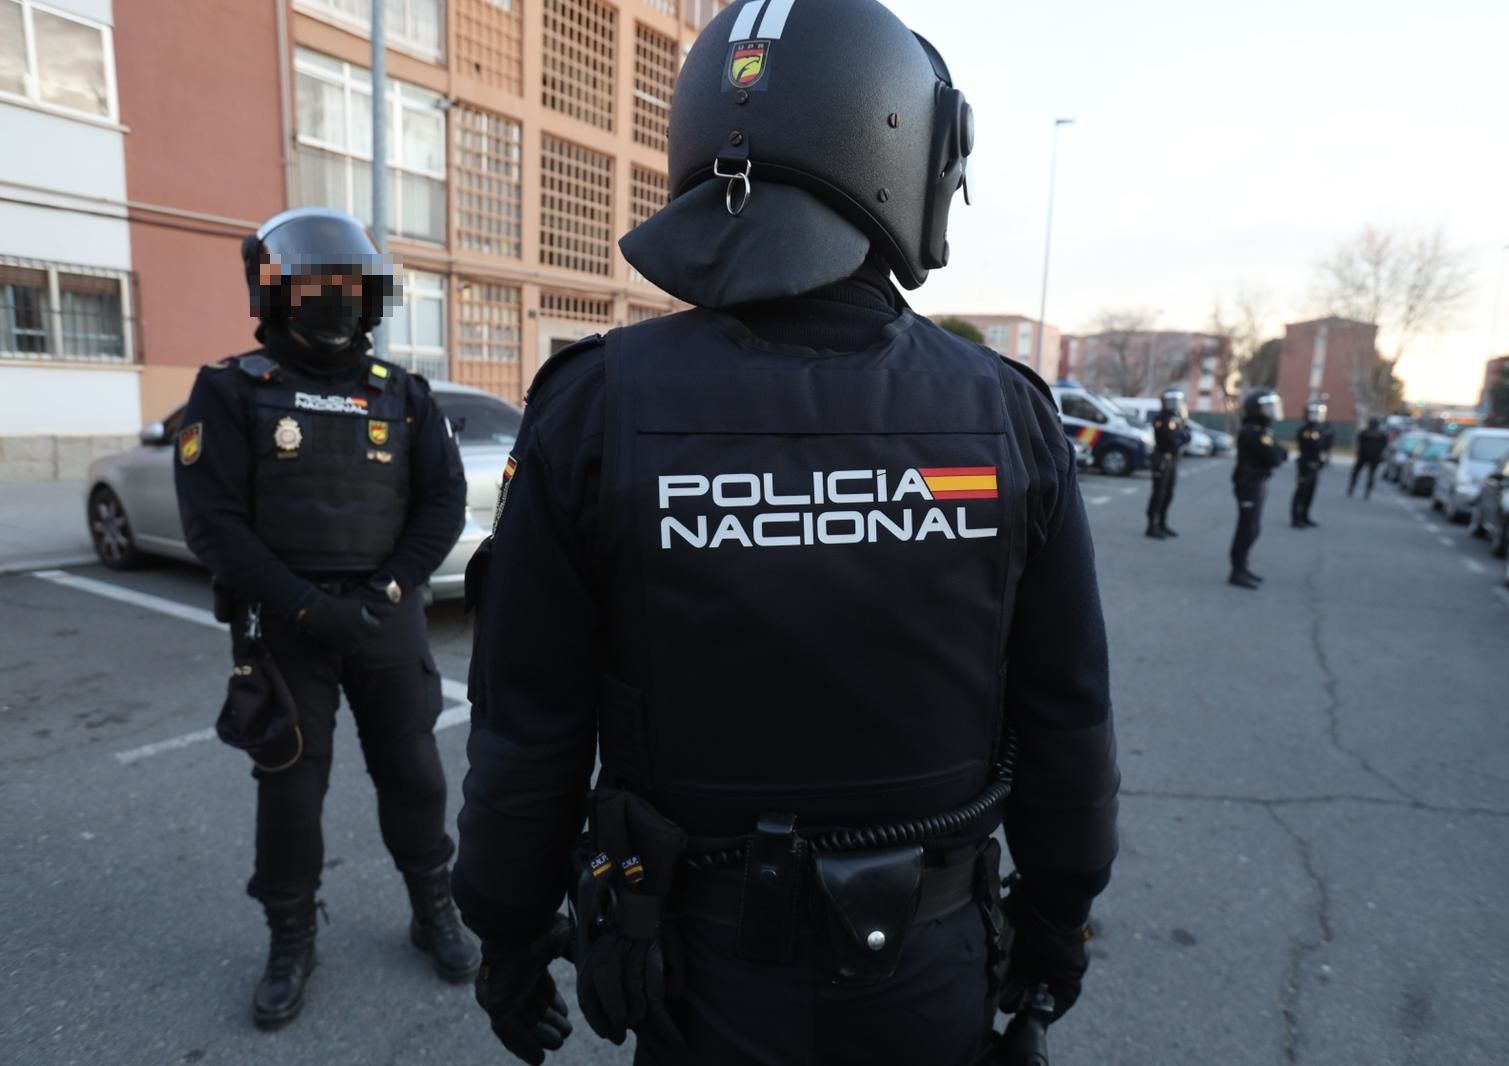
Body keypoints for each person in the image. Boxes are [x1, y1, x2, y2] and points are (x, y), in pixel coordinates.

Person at [452, 3, 1121, 1064]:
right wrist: (1058, 921)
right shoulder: (1007, 415)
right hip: (928, 971)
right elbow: (1066, 715)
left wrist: (508, 931)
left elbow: (528, 725)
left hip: (696, 980)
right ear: (900, 144)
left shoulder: (592, 407)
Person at [175, 207, 478, 1029]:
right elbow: (214, 525)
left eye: (348, 285)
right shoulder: (232, 390)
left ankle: (433, 907)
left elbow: (442, 503)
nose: (334, 299)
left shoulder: (402, 394)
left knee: (415, 776)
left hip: (385, 619)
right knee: (290, 795)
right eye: (315, 285)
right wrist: (305, 605)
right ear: (275, 294)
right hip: (287, 627)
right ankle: (291, 937)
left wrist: (386, 592)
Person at [1230, 389, 1288, 587]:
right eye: (1267, 407)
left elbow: (1280, 453)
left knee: (1253, 529)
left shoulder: (1262, 431)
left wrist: (1277, 452)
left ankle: (1243, 567)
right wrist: (1276, 452)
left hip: (1258, 482)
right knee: (1246, 529)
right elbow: (1274, 457)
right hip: (1248, 483)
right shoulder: (1252, 432)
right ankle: (1237, 571)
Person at [1145, 387, 1192, 539]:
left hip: (1172, 460)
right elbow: (1171, 440)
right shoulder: (1161, 419)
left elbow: (1187, 436)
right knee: (1158, 493)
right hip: (1162, 459)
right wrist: (1180, 436)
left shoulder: (1178, 418)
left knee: (1168, 493)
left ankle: (1162, 523)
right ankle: (1151, 525)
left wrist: (1182, 431)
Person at [1289, 402, 1333, 528]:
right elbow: (1312, 445)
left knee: (1310, 491)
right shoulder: (1306, 430)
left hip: (1316, 464)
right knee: (1302, 491)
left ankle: (1305, 515)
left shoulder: (1320, 429)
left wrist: (1328, 435)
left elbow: (1325, 447)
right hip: (1306, 463)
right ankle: (1296, 517)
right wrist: (1323, 436)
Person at [1350, 417, 1387, 498]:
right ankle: (1367, 492)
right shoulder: (1380, 435)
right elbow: (1384, 446)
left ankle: (1353, 488)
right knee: (1371, 474)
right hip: (1373, 457)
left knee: (1358, 473)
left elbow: (1359, 443)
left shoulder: (1364, 433)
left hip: (1364, 456)